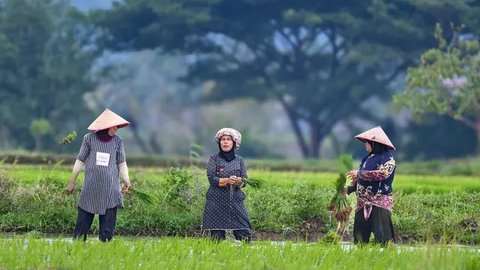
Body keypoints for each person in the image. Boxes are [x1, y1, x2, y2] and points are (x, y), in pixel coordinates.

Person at [66, 108, 132, 242]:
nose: (116, 130)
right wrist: (72, 182)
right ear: (105, 127)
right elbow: (80, 161)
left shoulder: (117, 141)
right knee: (81, 231)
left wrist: (127, 181)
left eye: (117, 128)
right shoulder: (88, 139)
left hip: (110, 190)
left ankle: (105, 248)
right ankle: (78, 248)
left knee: (107, 233)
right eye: (114, 127)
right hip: (90, 188)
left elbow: (122, 163)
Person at [345, 126, 396, 246]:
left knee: (384, 239)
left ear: (375, 144)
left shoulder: (388, 159)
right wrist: (349, 189)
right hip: (362, 203)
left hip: (379, 203)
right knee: (360, 240)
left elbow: (383, 174)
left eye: (367, 143)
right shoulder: (366, 160)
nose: (365, 145)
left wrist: (360, 173)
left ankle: (386, 261)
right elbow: (360, 180)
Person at [202, 128, 253, 242]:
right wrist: (226, 180)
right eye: (223, 139)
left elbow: (245, 181)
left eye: (228, 140)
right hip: (216, 202)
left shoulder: (240, 160)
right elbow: (212, 179)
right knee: (216, 238)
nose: (225, 142)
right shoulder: (214, 159)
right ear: (219, 143)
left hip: (234, 201)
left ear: (234, 143)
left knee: (244, 234)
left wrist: (238, 181)